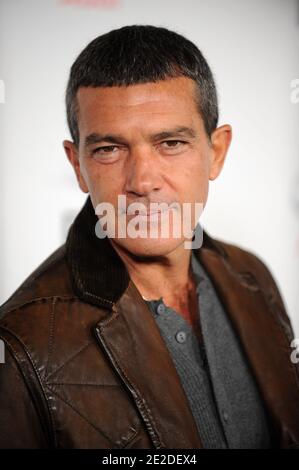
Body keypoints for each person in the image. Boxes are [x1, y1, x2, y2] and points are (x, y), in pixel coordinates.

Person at [0, 24, 298, 449]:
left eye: (171, 143)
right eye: (109, 149)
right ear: (78, 165)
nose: (143, 181)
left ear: (216, 151)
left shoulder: (252, 275)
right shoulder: (21, 342)